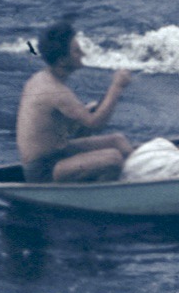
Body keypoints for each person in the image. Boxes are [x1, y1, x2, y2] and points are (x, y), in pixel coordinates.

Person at [16, 20, 134, 183]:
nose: (83, 54)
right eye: (77, 51)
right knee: (112, 158)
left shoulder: (45, 78)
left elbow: (60, 126)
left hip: (58, 152)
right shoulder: (54, 90)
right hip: (44, 170)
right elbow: (96, 123)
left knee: (117, 140)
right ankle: (113, 191)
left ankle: (141, 176)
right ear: (63, 61)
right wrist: (117, 87)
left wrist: (85, 114)